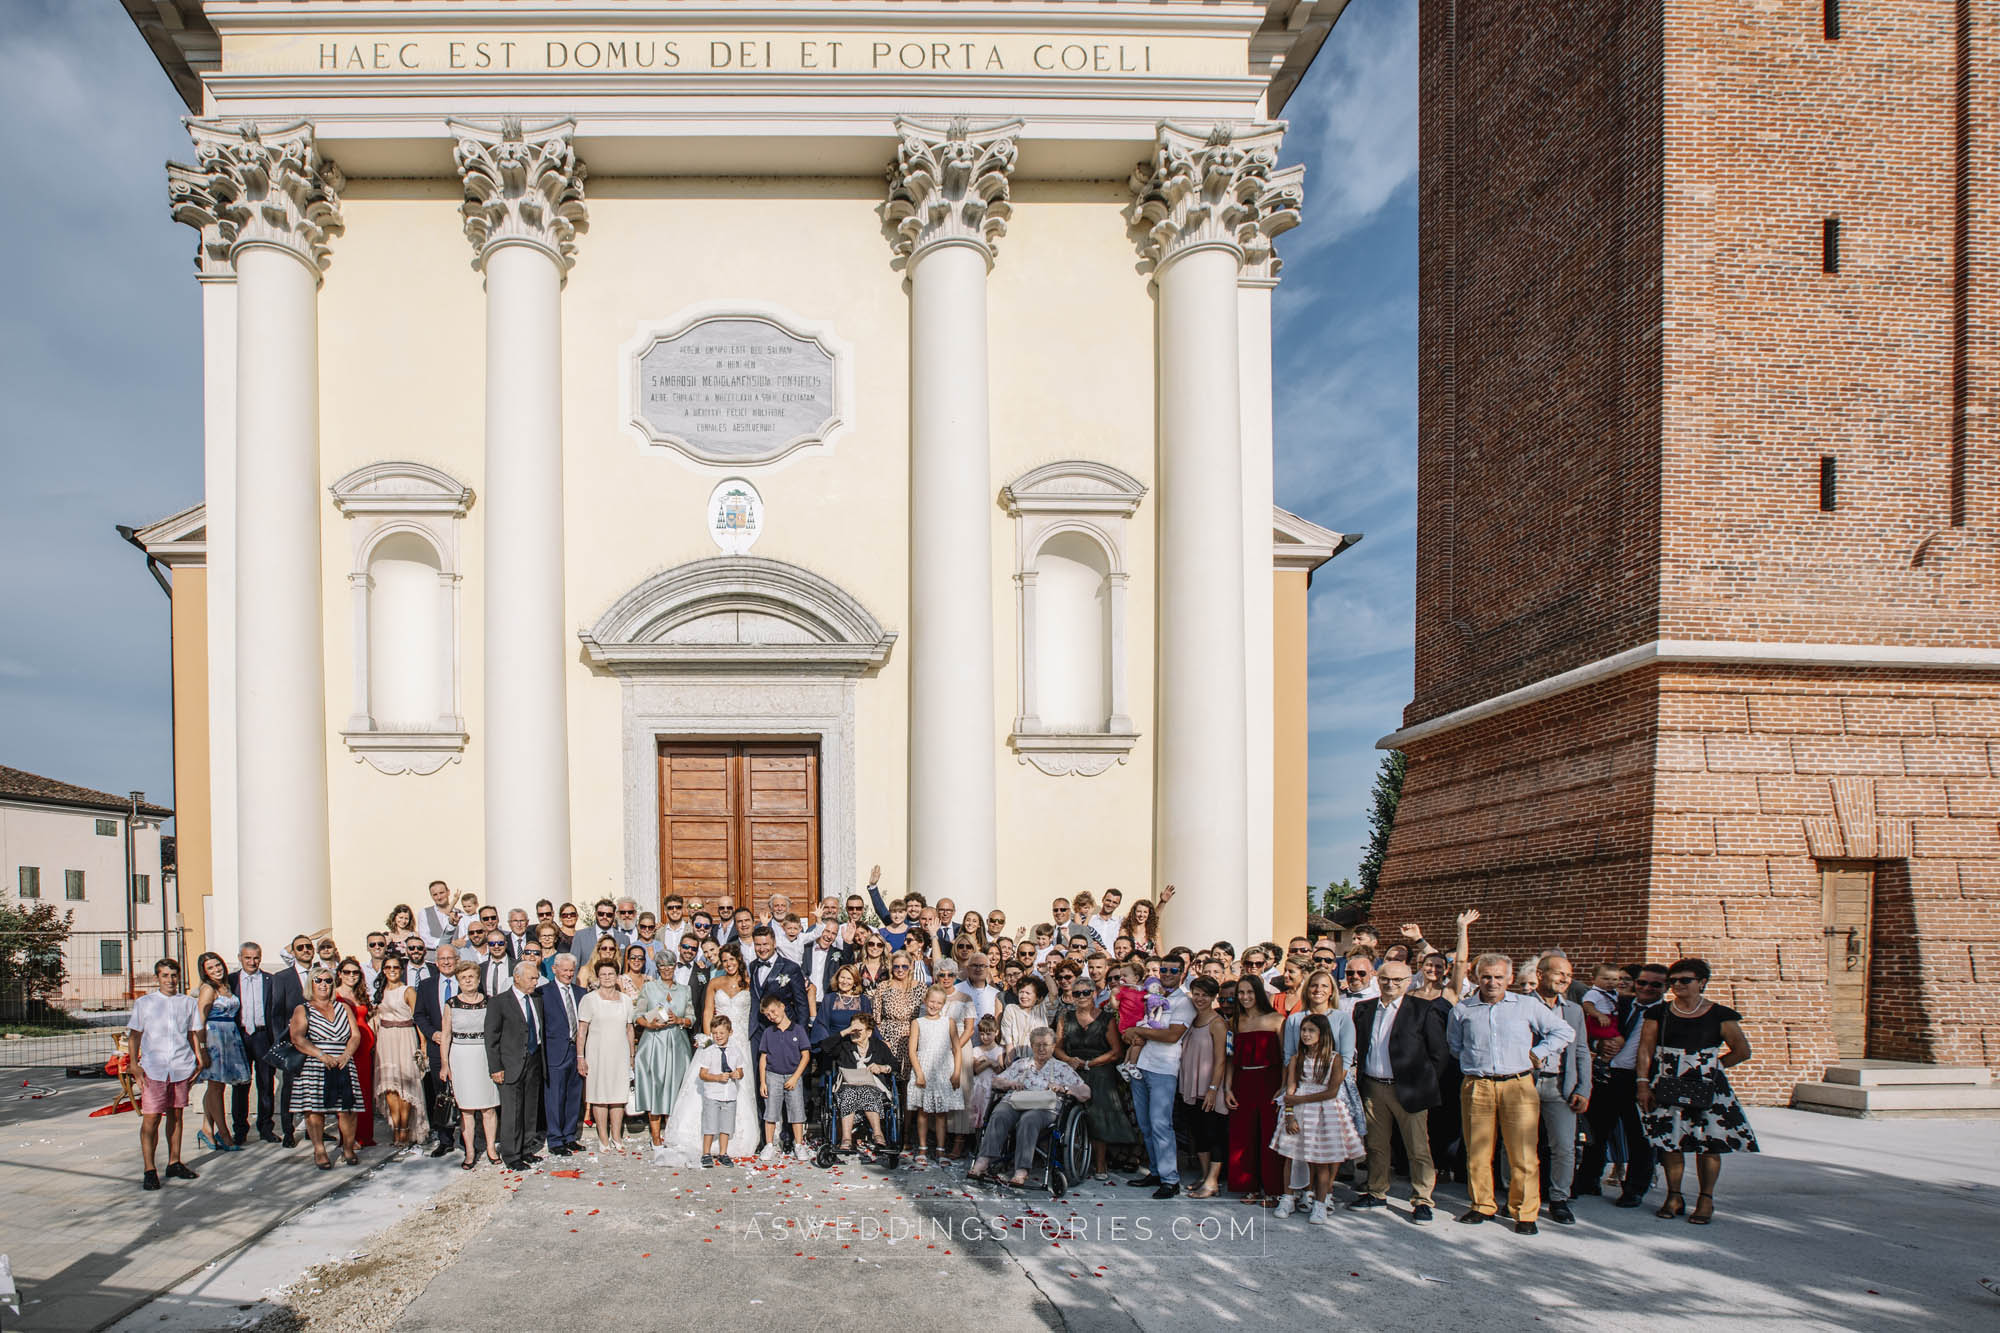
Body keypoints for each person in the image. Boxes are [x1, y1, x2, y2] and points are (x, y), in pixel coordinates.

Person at [1447, 953, 1574, 1234]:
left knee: (1523, 1152)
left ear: (1510, 979)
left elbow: (1563, 1032)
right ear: (1476, 978)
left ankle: (1524, 1212)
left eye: (1498, 977)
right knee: (1478, 1150)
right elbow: (1455, 1046)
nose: (1492, 983)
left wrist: (1538, 1053)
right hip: (1478, 1083)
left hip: (1518, 1084)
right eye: (1486, 977)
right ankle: (1482, 1204)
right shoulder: (1463, 1009)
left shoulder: (1526, 1006)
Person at [1636, 958, 1756, 1224]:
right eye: (1673, 981)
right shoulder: (1659, 1013)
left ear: (1701, 983)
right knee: (1671, 1142)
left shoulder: (1720, 1014)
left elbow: (1741, 1050)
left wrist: (1712, 1067)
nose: (1678, 985)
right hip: (1667, 1081)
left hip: (1707, 1087)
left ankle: (1706, 1199)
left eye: (1685, 980)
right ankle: (1674, 1196)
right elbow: (1645, 1049)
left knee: (1709, 1143)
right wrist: (1642, 1083)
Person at [1348, 959, 1448, 1222]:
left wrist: (1423, 1083)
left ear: (1408, 982)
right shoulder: (1364, 1008)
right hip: (1373, 1087)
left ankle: (1422, 1199)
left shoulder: (1423, 1009)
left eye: (1397, 980)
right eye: (1385, 979)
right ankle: (1376, 1191)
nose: (1390, 984)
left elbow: (1439, 1053)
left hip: (1409, 1089)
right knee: (1376, 1145)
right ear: (1377, 980)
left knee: (1417, 1147)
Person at [1583, 964, 1666, 1206]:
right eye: (1642, 982)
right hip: (1610, 1074)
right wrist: (1598, 1045)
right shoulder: (1619, 1003)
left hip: (1641, 1079)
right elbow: (1591, 1029)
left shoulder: (1666, 1014)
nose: (1646, 988)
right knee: (1597, 1132)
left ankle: (1634, 1189)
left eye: (1655, 984)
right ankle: (1588, 1180)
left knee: (1639, 1137)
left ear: (1666, 987)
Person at [967, 1027, 1090, 1188]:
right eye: (1037, 1045)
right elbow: (996, 1081)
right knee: (999, 1114)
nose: (1041, 1048)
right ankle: (984, 1160)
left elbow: (1086, 1092)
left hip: (1044, 1107)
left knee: (1029, 1120)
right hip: (1015, 1102)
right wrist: (1010, 1083)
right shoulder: (1021, 1064)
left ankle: (1021, 1170)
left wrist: (1064, 1088)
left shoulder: (1062, 1068)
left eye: (1045, 1045)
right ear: (1031, 1046)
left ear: (1053, 1046)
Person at [1274, 1012, 1364, 1224]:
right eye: (1303, 1030)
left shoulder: (1334, 1059)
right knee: (1291, 1156)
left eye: (1311, 1030)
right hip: (1298, 1110)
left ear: (1323, 1033)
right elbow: (1291, 1089)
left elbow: (1331, 1091)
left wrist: (1300, 1099)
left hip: (1324, 1111)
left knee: (1321, 1159)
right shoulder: (1297, 1058)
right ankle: (1288, 1198)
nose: (1306, 1034)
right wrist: (1289, 1114)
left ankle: (1320, 1203)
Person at [1121, 952, 1196, 1200]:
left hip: (1163, 1069)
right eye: (1163, 970)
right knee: (1145, 1125)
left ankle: (1170, 1179)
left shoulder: (1184, 1002)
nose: (1167, 974)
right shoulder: (1152, 995)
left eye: (1173, 971)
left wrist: (1139, 1030)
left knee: (1161, 1124)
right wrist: (1134, 1032)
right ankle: (1155, 1171)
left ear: (1182, 973)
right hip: (1141, 1065)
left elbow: (1172, 1035)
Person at [129, 958, 206, 1190]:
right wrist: (134, 1064)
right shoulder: (145, 1003)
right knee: (151, 1118)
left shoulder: (188, 1003)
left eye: (173, 975)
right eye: (165, 975)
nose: (170, 980)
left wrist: (199, 1057)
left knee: (176, 1114)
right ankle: (149, 1169)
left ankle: (174, 1161)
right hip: (155, 1068)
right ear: (157, 978)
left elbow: (193, 1033)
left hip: (180, 1066)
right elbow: (135, 1035)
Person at [1530, 951, 1592, 1225]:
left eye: (1568, 975)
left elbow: (1581, 1050)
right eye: (1559, 973)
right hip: (1527, 1082)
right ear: (1540, 975)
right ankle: (1517, 1195)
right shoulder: (1520, 1004)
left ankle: (1559, 1199)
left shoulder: (1574, 1011)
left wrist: (1583, 1088)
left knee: (1564, 1146)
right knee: (1518, 1144)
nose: (1565, 979)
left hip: (1560, 1084)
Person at [1057, 977, 1137, 1184]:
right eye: (1077, 993)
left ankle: (1101, 1163)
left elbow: (1116, 1051)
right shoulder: (1065, 1017)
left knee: (1099, 1107)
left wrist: (1089, 1063)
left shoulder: (1106, 1018)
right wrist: (1069, 1060)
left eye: (1086, 992)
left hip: (1100, 1067)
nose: (1081, 997)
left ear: (1093, 993)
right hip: (1072, 1067)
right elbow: (1057, 1047)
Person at [290, 965, 361, 1170]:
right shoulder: (303, 1009)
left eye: (328, 980)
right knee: (315, 1110)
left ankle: (348, 1148)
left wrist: (346, 1054)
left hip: (343, 1061)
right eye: (318, 980)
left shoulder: (343, 1007)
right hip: (315, 1063)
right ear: (311, 984)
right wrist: (321, 1055)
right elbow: (297, 1038)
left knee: (348, 1108)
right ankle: (319, 1150)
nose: (323, 984)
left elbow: (355, 1035)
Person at [1226, 974, 1287, 1205]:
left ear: (1259, 993)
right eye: (1241, 993)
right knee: (1243, 1135)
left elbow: (1286, 1057)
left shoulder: (1276, 1019)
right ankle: (1248, 1186)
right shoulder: (1235, 1022)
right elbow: (1230, 1058)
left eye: (1250, 992)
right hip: (1242, 1080)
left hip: (1270, 1080)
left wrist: (1283, 1086)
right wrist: (1227, 1088)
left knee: (1269, 1135)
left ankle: (1273, 1189)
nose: (1245, 997)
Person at [632, 964, 695, 1163]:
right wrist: (648, 1024)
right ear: (658, 968)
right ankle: (656, 1137)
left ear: (674, 967)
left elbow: (692, 1017)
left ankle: (672, 1135)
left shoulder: (684, 990)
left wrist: (680, 1020)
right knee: (655, 1087)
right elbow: (637, 1014)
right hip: (654, 1043)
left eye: (670, 965)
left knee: (675, 1089)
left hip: (677, 1044)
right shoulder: (649, 987)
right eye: (662, 965)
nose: (666, 969)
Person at [440, 960, 499, 1168]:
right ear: (458, 981)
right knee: (466, 1109)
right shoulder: (451, 1004)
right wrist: (445, 1064)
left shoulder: (490, 1002)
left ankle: (491, 1148)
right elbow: (446, 1035)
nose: (467, 981)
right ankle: (470, 1152)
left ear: (478, 979)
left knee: (488, 1107)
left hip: (484, 1056)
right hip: (461, 1057)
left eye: (471, 977)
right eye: (463, 978)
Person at [1176, 975, 1230, 1198]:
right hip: (1191, 1084)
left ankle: (1213, 1181)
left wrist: (1213, 1089)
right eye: (1196, 994)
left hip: (1208, 1085)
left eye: (1205, 995)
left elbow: (1221, 1060)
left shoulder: (1217, 1023)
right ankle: (1205, 1175)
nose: (1199, 999)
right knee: (1198, 1133)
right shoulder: (1192, 1019)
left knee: (1213, 1133)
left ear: (1213, 997)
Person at [191, 951, 249, 1153]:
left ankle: (207, 1129)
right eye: (210, 968)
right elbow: (199, 1020)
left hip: (229, 1038)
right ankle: (223, 1134)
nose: (216, 970)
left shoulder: (226, 986)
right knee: (216, 1087)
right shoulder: (208, 989)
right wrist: (202, 1049)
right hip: (214, 1039)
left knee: (218, 1087)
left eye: (218, 965)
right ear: (205, 972)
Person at [577, 960, 636, 1155]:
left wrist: (631, 1055)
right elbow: (582, 1030)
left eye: (611, 974)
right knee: (600, 1096)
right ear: (598, 977)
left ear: (617, 976)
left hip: (620, 1053)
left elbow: (629, 1029)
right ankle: (603, 1138)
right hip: (597, 1053)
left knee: (618, 1096)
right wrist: (580, 1056)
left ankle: (616, 1137)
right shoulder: (589, 1000)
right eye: (603, 974)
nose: (607, 978)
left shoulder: (626, 1000)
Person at [371, 952, 428, 1147]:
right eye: (388, 967)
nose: (392, 970)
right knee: (389, 1086)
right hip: (385, 1039)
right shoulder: (380, 991)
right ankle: (395, 1127)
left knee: (406, 1085)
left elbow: (418, 1018)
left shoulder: (408, 990)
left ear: (401, 970)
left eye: (395, 967)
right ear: (383, 970)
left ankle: (404, 1129)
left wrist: (423, 1044)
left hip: (405, 1037)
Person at [906, 981, 964, 1167]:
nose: (934, 1005)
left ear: (943, 1004)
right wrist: (919, 1073)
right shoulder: (918, 1023)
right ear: (925, 1001)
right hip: (924, 1068)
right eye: (932, 1001)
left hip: (943, 1070)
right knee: (923, 1111)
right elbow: (912, 1050)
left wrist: (956, 1073)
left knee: (941, 1113)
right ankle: (922, 1148)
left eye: (939, 1003)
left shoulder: (949, 1022)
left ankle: (940, 1149)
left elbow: (957, 1049)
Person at [229, 942, 280, 1146]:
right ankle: (240, 1129)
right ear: (240, 958)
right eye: (248, 958)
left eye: (256, 957)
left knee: (266, 1083)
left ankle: (266, 1127)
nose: (252, 962)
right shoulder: (231, 980)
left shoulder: (270, 980)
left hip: (262, 1036)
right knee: (241, 1085)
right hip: (240, 1036)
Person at [413, 944, 462, 1158]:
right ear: (436, 962)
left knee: (465, 1091)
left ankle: (469, 1138)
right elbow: (419, 1015)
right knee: (441, 1094)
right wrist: (432, 1034)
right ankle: (445, 1140)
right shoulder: (426, 985)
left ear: (457, 960)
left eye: (450, 958)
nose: (446, 962)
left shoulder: (466, 981)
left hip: (462, 1045)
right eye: (442, 959)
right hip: (436, 1046)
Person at [538, 951, 587, 1157]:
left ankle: (569, 1136)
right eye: (564, 970)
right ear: (554, 969)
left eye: (571, 970)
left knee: (573, 1096)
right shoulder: (543, 993)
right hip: (555, 1052)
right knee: (555, 1098)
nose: (568, 974)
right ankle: (555, 1139)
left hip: (576, 1051)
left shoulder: (580, 992)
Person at [827, 1013, 898, 1157]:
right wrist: (845, 1032)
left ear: (869, 1032)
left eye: (858, 1029)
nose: (854, 1032)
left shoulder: (879, 1046)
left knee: (867, 1090)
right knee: (849, 1092)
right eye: (852, 1028)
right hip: (847, 1085)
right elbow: (824, 1047)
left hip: (874, 1086)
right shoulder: (845, 1045)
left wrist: (882, 1068)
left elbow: (895, 1065)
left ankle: (878, 1135)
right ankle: (846, 1139)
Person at [755, 994, 813, 1162]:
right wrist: (763, 1082)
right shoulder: (768, 1032)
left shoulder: (798, 1030)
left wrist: (795, 1077)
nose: (771, 1016)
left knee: (796, 1111)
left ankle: (799, 1144)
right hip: (773, 1075)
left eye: (773, 1011)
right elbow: (763, 1058)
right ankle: (769, 1145)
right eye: (767, 1015)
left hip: (793, 1076)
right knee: (771, 1112)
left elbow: (806, 1056)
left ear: (782, 1007)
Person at [332, 957, 378, 1149]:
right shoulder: (334, 994)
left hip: (364, 1049)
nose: (351, 976)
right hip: (345, 1047)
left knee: (364, 1092)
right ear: (340, 974)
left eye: (355, 972)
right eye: (347, 972)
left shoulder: (361, 994)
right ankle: (349, 1138)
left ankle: (364, 1135)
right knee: (347, 1093)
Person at [694, 1014, 746, 1166]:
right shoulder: (708, 1052)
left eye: (722, 1033)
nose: (718, 1036)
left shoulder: (735, 1051)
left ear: (730, 1032)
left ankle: (723, 1153)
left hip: (730, 1095)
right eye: (715, 1033)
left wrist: (738, 1074)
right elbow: (702, 1074)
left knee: (726, 1126)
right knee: (710, 1125)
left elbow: (740, 1070)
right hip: (713, 1094)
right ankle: (706, 1153)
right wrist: (717, 1077)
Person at [872, 950, 925, 1068]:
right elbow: (876, 1017)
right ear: (892, 967)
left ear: (911, 966)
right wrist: (881, 1040)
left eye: (904, 966)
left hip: (913, 1037)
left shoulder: (921, 987)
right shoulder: (883, 986)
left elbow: (925, 1016)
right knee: (889, 1072)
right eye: (896, 966)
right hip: (888, 1037)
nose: (900, 970)